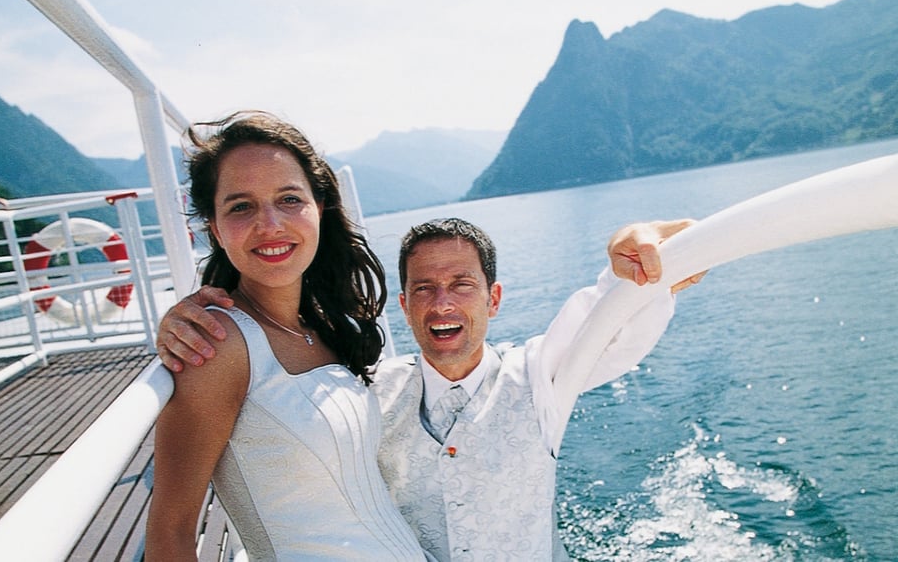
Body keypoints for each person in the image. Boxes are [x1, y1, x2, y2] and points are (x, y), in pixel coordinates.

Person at [158, 214, 700, 560]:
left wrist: (634, 250)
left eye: (462, 285)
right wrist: (193, 321)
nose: (442, 304)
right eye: (424, 288)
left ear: (493, 299)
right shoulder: (365, 395)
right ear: (404, 305)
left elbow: (608, 323)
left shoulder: (541, 376)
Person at [144, 111, 428, 560]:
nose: (271, 224)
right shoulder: (218, 344)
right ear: (215, 229)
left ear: (319, 208)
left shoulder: (323, 325)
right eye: (241, 206)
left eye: (289, 199)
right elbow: (171, 532)